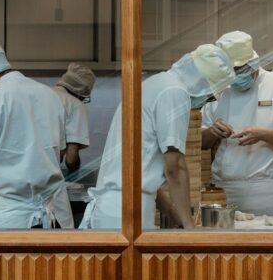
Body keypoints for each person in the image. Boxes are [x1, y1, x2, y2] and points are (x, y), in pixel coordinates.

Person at [82, 44, 235, 230]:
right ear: (202, 83)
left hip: (117, 208)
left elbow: (143, 168)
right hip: (126, 211)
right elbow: (175, 167)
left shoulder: (155, 84)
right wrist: (189, 227)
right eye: (210, 96)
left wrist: (170, 211)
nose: (206, 100)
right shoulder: (175, 93)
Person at [0, 39, 73, 229]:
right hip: (56, 214)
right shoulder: (50, 95)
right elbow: (58, 154)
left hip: (13, 217)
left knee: (14, 261)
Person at [200, 31, 273, 216]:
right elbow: (200, 142)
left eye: (241, 70)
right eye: (231, 73)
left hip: (269, 191)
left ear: (254, 63)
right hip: (224, 190)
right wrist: (212, 132)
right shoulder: (217, 90)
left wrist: (264, 134)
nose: (236, 77)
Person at [53, 63, 96, 174]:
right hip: (48, 174)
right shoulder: (75, 104)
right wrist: (74, 176)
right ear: (82, 91)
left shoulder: (41, 95)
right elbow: (71, 159)